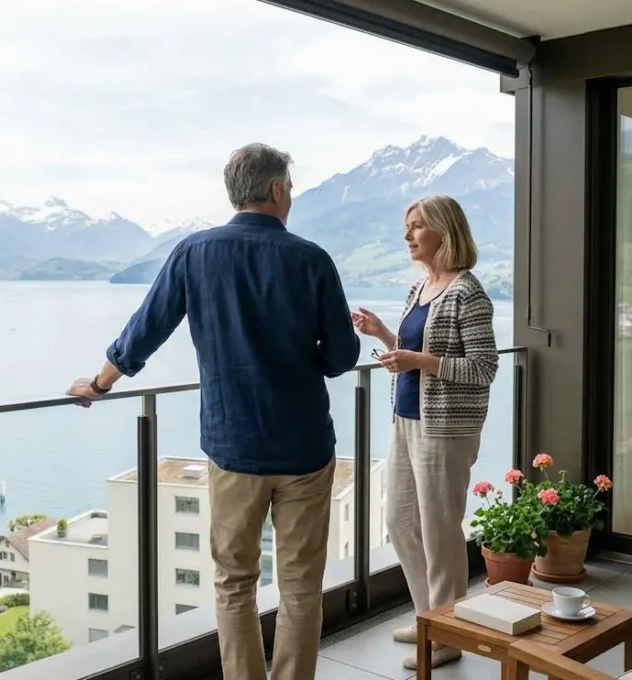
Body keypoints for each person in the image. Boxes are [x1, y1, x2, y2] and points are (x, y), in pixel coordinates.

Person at [66, 143, 360, 680]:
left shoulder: (193, 253)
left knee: (234, 582)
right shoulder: (311, 259)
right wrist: (306, 354)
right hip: (305, 447)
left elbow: (145, 329)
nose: (290, 197)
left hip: (234, 447)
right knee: (299, 585)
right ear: (275, 191)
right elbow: (343, 357)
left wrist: (101, 383)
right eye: (290, 188)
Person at [350, 195, 497, 671]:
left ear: (444, 230)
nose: (408, 235)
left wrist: (420, 361)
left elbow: (484, 368)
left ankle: (449, 634)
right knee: (401, 522)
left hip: (446, 430)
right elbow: (414, 351)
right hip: (407, 421)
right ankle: (428, 618)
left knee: (439, 532)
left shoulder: (468, 293)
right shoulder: (421, 288)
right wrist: (385, 337)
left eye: (417, 227)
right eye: (406, 228)